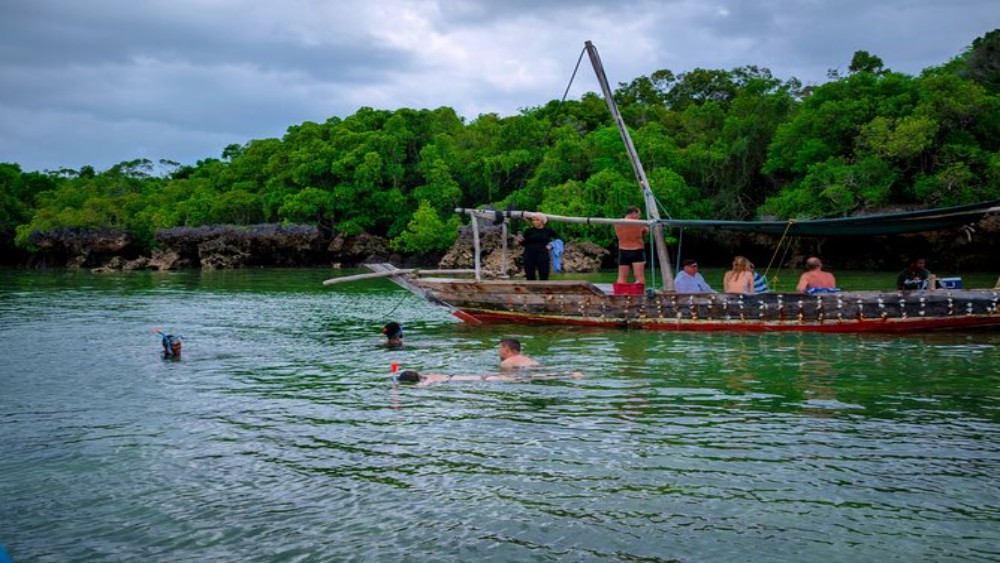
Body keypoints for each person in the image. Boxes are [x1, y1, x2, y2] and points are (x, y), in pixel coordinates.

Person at [396, 369, 582, 386]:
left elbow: (421, 387)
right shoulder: (430, 375)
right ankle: (567, 374)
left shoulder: (428, 381)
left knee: (527, 379)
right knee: (529, 377)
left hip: (480, 380)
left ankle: (568, 376)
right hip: (480, 377)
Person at [515, 213, 558, 281]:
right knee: (530, 277)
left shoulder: (548, 231)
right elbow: (524, 243)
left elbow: (559, 240)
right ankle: (531, 291)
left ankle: (543, 291)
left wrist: (552, 245)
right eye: (533, 220)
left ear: (542, 221)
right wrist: (520, 240)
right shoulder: (529, 231)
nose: (535, 222)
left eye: (537, 220)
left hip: (543, 255)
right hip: (529, 255)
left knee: (544, 276)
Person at [615, 206, 649, 285]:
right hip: (637, 250)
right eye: (639, 214)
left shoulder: (617, 223)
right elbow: (647, 231)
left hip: (623, 250)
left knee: (622, 276)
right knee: (639, 275)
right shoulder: (639, 224)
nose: (639, 217)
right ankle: (641, 294)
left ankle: (621, 294)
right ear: (634, 214)